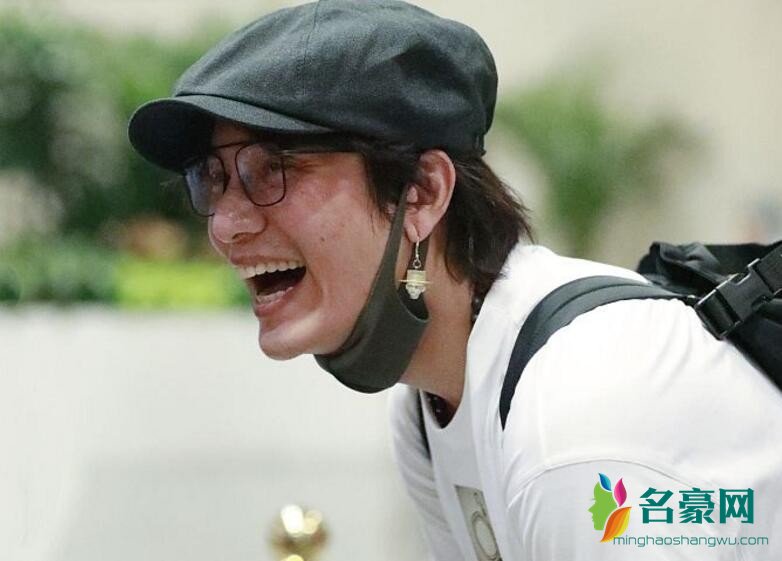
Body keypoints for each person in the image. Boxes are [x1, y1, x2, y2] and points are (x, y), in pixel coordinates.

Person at [128, 1, 782, 559]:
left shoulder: (577, 416)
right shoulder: (428, 405)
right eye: (211, 178)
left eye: (271, 169)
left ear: (421, 192)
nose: (226, 225)